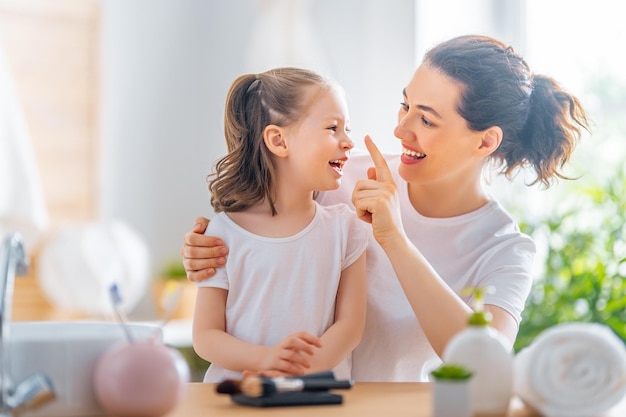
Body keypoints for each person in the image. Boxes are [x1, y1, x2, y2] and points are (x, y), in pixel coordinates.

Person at [182, 35, 590, 382]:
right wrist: (207, 248)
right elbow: (260, 239)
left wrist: (396, 242)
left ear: (484, 142)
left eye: (426, 121)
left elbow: (485, 368)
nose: (399, 129)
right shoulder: (339, 179)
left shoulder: (504, 248)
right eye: (405, 105)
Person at [191, 67, 368, 383]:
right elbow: (206, 336)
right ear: (278, 140)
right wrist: (267, 360)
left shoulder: (346, 229)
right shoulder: (222, 233)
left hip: (316, 399)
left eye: (347, 129)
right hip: (239, 400)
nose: (348, 142)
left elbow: (350, 326)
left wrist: (302, 371)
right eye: (333, 128)